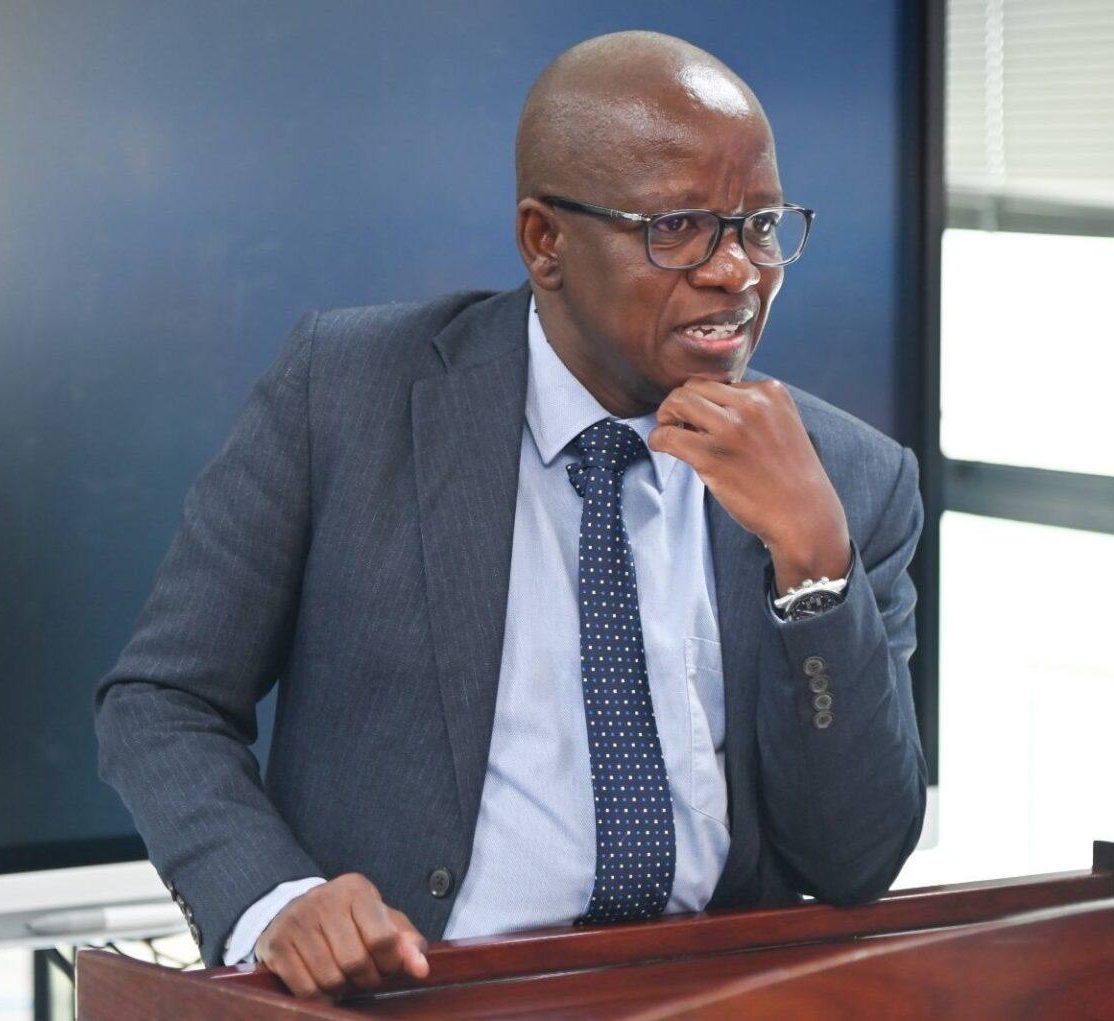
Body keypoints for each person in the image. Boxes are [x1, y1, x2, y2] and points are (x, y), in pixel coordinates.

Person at [95, 29, 926, 1002]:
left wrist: (815, 565)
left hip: (711, 995)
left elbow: (854, 857)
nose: (737, 271)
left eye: (759, 225)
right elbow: (164, 700)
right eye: (680, 228)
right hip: (414, 992)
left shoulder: (847, 480)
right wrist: (277, 899)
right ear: (545, 242)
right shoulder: (347, 396)